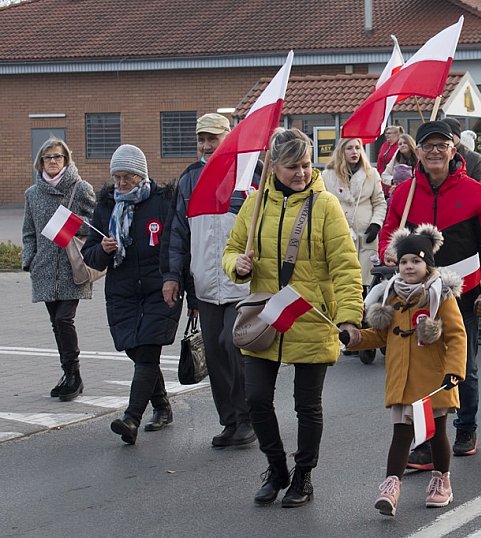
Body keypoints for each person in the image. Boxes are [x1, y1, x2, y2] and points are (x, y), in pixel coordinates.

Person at [222, 128, 364, 507]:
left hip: (312, 317)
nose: (301, 173)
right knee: (255, 399)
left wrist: (350, 318)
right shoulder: (255, 205)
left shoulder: (326, 205)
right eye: (292, 167)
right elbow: (232, 249)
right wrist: (237, 264)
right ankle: (276, 467)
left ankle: (303, 474)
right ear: (273, 166)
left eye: (305, 165)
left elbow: (346, 267)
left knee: (307, 406)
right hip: (264, 316)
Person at [378, 120, 481, 464]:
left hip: (462, 293)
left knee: (464, 363)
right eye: (427, 146)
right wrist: (387, 251)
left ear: (453, 149)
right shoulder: (404, 194)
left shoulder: (475, 191)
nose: (434, 152)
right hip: (416, 295)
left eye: (441, 145)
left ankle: (466, 427)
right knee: (423, 366)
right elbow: (389, 231)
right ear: (417, 151)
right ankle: (427, 438)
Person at [345, 225, 466, 516]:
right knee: (401, 433)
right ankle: (391, 486)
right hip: (401, 379)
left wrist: (454, 372)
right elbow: (383, 335)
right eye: (404, 261)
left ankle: (441, 480)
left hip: (433, 380)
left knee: (435, 434)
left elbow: (456, 336)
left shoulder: (440, 296)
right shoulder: (392, 296)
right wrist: (357, 338)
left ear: (428, 265)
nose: (409, 266)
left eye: (416, 261)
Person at [163, 113, 258, 448]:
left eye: (212, 138)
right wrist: (173, 276)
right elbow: (178, 232)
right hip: (204, 282)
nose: (205, 145)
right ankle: (230, 421)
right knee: (215, 358)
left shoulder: (249, 173)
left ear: (228, 138)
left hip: (243, 281)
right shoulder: (190, 178)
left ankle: (248, 416)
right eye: (201, 139)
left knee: (232, 344)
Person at [82, 144, 183, 444]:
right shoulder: (106, 206)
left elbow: (177, 244)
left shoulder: (163, 202)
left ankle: (132, 418)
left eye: (128, 177)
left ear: (142, 176)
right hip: (123, 292)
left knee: (149, 351)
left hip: (160, 289)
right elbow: (89, 254)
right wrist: (101, 249)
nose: (121, 184)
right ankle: (162, 405)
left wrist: (176, 279)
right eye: (117, 177)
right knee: (134, 349)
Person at [22, 138, 95, 401]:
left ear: (67, 160)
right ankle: (68, 374)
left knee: (65, 319)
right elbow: (28, 232)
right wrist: (29, 260)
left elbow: (95, 225)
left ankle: (74, 376)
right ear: (40, 162)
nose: (52, 161)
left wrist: (72, 223)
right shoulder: (32, 194)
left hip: (71, 267)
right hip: (43, 269)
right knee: (56, 323)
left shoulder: (80, 188)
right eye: (47, 157)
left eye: (58, 157)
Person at [323, 137, 387, 291]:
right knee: (342, 278)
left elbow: (379, 202)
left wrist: (376, 224)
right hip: (339, 232)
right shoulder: (327, 175)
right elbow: (322, 204)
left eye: (358, 148)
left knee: (366, 281)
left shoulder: (371, 173)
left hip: (366, 234)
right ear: (341, 151)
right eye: (349, 148)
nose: (354, 152)